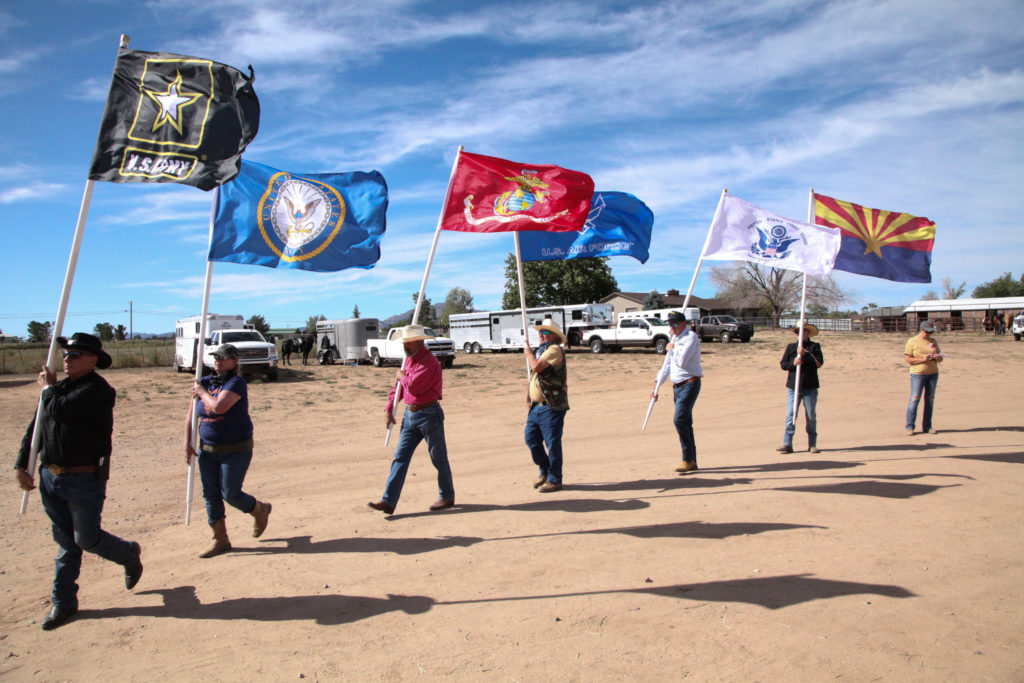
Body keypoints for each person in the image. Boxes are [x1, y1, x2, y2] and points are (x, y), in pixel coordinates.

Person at [14, 333, 143, 631]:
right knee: (65, 543)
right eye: (66, 355)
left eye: (74, 355)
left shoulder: (98, 390)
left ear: (93, 360)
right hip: (51, 476)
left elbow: (63, 410)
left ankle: (128, 554)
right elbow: (36, 428)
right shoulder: (55, 390)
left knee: (86, 538)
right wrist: (24, 464)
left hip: (84, 478)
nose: (66, 360)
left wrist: (47, 389)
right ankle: (64, 601)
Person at [184, 344, 271, 558]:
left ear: (234, 361)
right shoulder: (204, 382)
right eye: (216, 357)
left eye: (223, 357)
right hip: (207, 449)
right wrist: (188, 442)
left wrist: (202, 393)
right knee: (210, 495)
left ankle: (259, 509)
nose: (218, 360)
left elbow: (219, 407)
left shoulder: (236, 383)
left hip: (236, 448)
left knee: (230, 493)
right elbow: (191, 415)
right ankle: (220, 540)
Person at [368, 325, 454, 514]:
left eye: (408, 341)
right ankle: (388, 501)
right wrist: (390, 407)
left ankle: (447, 495)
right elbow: (398, 389)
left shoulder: (429, 362)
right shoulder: (408, 361)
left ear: (419, 341)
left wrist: (401, 376)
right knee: (400, 458)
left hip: (429, 414)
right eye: (404, 341)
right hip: (409, 415)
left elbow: (415, 386)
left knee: (438, 458)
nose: (404, 345)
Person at [651, 311, 703, 473]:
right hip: (677, 386)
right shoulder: (675, 339)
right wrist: (656, 386)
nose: (671, 327)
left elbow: (682, 362)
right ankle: (691, 460)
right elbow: (666, 366)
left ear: (682, 324)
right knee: (686, 422)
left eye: (674, 324)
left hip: (690, 383)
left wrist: (672, 350)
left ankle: (687, 459)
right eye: (669, 324)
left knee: (679, 420)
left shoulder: (691, 338)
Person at [523, 318, 570, 493]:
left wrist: (528, 354)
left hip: (551, 405)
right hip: (536, 406)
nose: (540, 336)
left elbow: (535, 368)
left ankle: (554, 478)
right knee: (531, 440)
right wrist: (527, 398)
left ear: (553, 336)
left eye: (544, 333)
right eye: (540, 333)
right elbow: (533, 377)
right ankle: (545, 470)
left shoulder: (555, 350)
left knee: (552, 443)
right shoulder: (541, 351)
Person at [776, 324, 824, 454]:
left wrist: (805, 355)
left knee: (810, 415)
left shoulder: (814, 347)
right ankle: (787, 443)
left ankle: (812, 444)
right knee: (791, 415)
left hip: (810, 386)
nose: (802, 334)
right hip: (794, 387)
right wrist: (794, 362)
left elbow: (819, 363)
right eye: (799, 332)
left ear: (808, 334)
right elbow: (783, 364)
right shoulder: (791, 347)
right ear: (796, 334)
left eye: (805, 332)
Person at [904, 320, 943, 435]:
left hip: (933, 373)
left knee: (930, 400)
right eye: (927, 332)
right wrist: (922, 360)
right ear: (922, 330)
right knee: (915, 399)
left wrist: (937, 357)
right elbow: (907, 359)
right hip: (918, 374)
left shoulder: (933, 341)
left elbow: (941, 358)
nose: (929, 334)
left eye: (930, 332)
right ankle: (910, 426)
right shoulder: (912, 341)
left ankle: (927, 426)